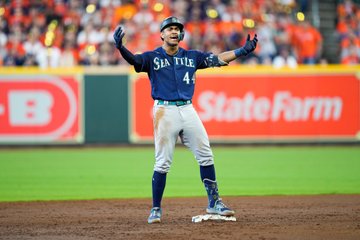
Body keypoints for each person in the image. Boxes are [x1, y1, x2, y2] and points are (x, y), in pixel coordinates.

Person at [113, 16, 258, 224]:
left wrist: (242, 51)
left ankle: (214, 201)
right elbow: (136, 61)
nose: (174, 31)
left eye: (177, 29)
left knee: (206, 155)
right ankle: (156, 208)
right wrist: (121, 48)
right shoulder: (152, 57)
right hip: (164, 110)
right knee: (163, 162)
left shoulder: (192, 56)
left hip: (188, 109)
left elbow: (217, 59)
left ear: (181, 34)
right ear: (161, 34)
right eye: (169, 28)